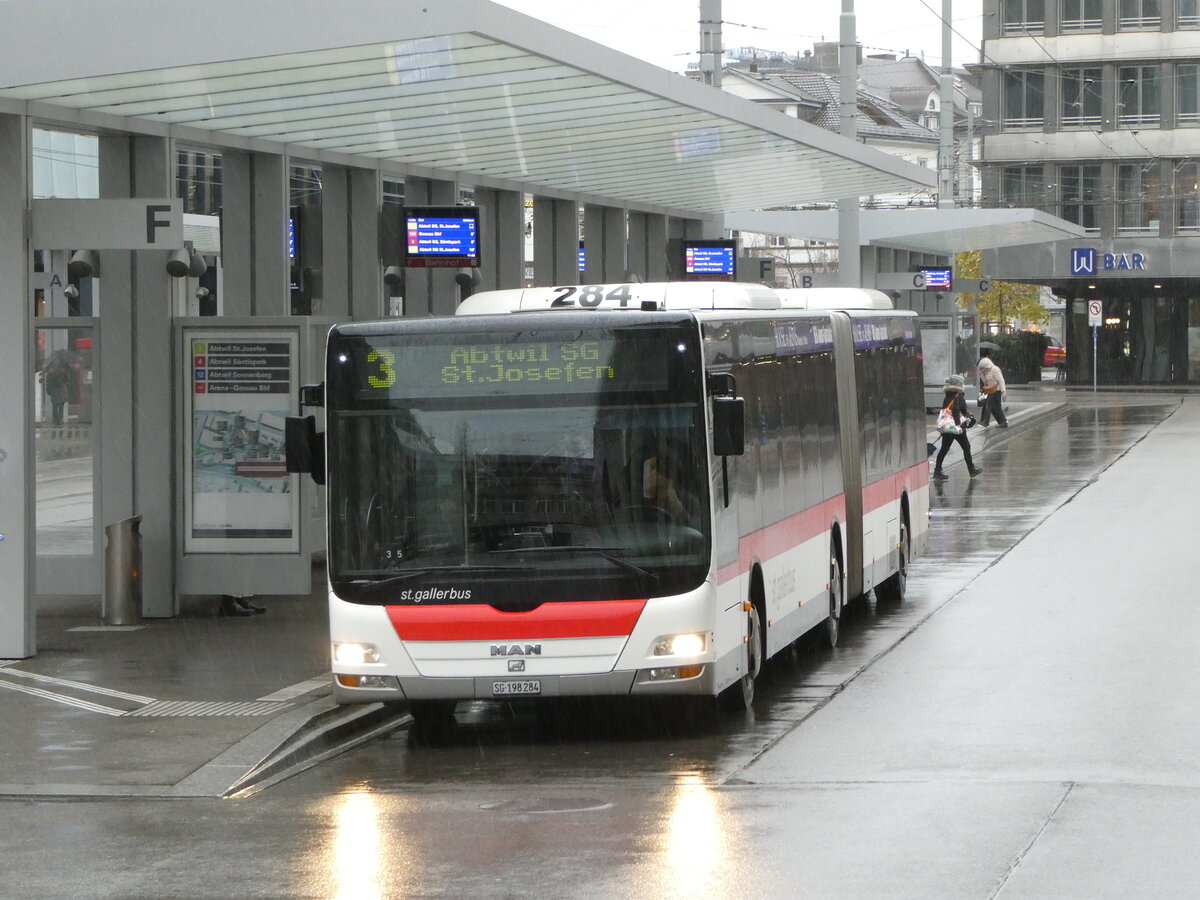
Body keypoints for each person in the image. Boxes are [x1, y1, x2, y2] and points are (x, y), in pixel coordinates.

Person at [932, 374, 982, 480]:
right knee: (966, 447)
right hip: (956, 427)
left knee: (944, 449)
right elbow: (956, 410)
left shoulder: (948, 395)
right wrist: (959, 424)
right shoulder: (958, 395)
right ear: (959, 385)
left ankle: (937, 471)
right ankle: (971, 469)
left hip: (948, 426)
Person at [977, 356, 1008, 428]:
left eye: (982, 368)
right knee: (996, 408)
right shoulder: (985, 372)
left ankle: (985, 422)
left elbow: (1001, 381)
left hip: (997, 390)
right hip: (990, 391)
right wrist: (982, 374)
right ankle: (1003, 422)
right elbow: (985, 382)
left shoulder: (995, 369)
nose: (981, 369)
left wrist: (1004, 391)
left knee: (988, 405)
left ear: (986, 366)